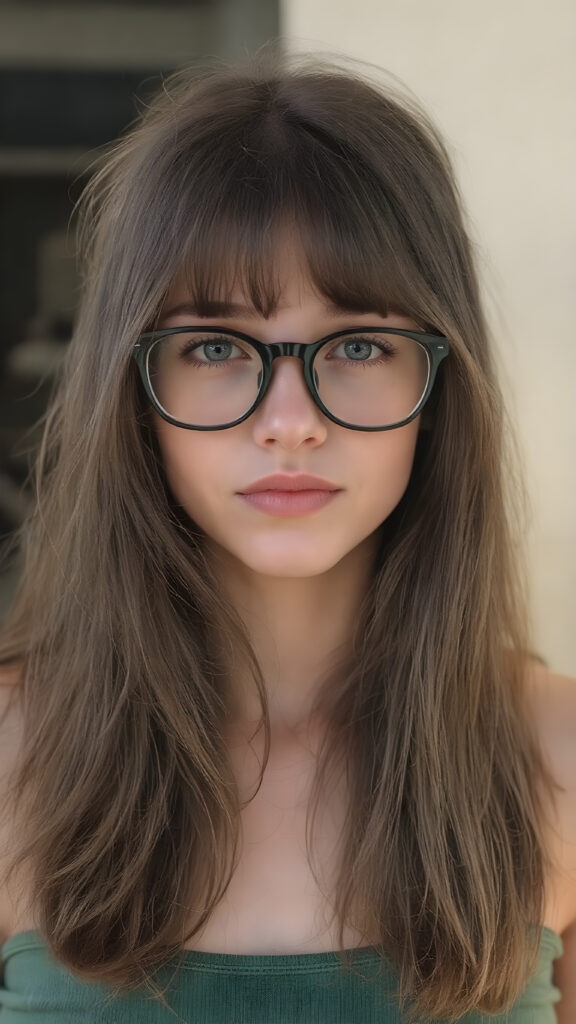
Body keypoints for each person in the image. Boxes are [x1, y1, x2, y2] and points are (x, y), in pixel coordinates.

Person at [0, 46, 574, 1024]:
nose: (290, 419)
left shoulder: (555, 749)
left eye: (357, 345)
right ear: (133, 393)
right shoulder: (12, 751)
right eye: (218, 346)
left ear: (438, 390)